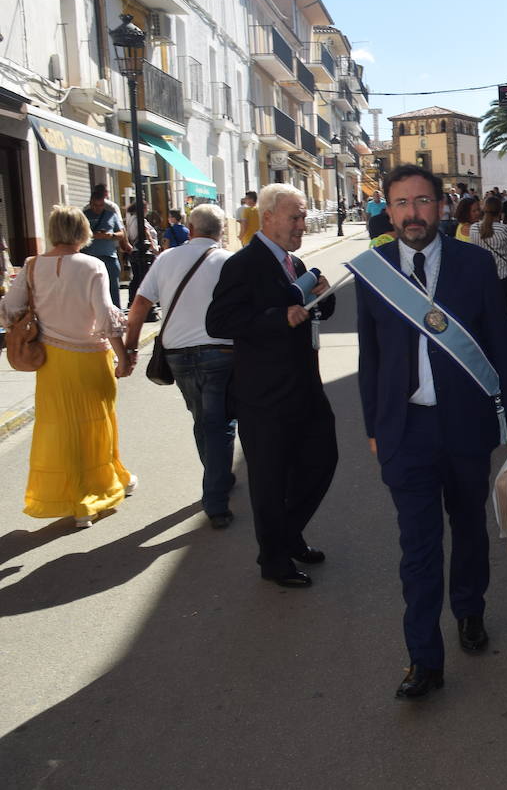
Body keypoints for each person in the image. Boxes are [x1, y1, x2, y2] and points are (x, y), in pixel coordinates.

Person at [353, 164, 507, 700]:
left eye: (423, 202)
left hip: (465, 426)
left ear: (442, 207)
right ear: (388, 211)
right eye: (402, 203)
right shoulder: (373, 270)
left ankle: (470, 610)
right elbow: (371, 356)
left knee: (470, 528)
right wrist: (372, 425)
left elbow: (502, 348)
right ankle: (423, 660)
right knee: (419, 547)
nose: (413, 213)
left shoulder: (476, 265)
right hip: (404, 430)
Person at [206, 183, 338, 588]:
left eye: (303, 216)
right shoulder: (243, 264)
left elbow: (316, 312)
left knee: (321, 460)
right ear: (268, 217)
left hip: (304, 387)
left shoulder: (295, 263)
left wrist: (324, 295)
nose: (302, 224)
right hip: (263, 395)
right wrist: (276, 318)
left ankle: (287, 533)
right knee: (269, 479)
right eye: (295, 217)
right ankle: (275, 560)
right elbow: (219, 322)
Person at [0, 206, 135, 527]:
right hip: (90, 358)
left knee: (62, 428)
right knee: (96, 424)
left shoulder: (32, 266)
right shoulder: (93, 265)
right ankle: (97, 489)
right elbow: (104, 318)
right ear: (82, 231)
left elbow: (8, 310)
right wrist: (124, 356)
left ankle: (74, 497)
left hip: (51, 361)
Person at [122, 204, 236, 529]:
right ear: (220, 230)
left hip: (177, 354)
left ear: (189, 227)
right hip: (219, 352)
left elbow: (141, 303)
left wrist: (130, 346)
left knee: (204, 419)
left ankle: (217, 478)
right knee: (219, 422)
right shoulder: (228, 261)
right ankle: (216, 497)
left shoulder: (166, 258)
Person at [471, 195, 507, 307]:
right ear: (500, 211)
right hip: (502, 274)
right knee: (502, 308)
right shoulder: (503, 229)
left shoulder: (474, 228)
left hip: (482, 274)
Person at [81, 184, 124, 308]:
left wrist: (110, 236)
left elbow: (121, 233)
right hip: (90, 258)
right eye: (95, 205)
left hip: (109, 257)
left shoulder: (111, 214)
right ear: (91, 203)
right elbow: (78, 235)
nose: (98, 209)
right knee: (92, 290)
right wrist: (93, 235)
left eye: (101, 205)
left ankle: (116, 315)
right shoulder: (84, 215)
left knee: (113, 289)